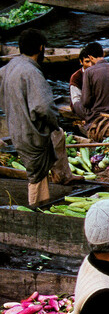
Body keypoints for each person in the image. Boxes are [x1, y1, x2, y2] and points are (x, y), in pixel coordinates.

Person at [0, 29, 75, 205]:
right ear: (41, 48)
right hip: (31, 133)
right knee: (36, 176)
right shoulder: (32, 73)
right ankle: (36, 209)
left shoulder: (9, 67)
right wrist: (53, 123)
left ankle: (60, 178)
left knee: (55, 142)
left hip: (16, 127)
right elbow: (43, 107)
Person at [73, 42, 109, 141]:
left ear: (90, 57)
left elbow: (86, 102)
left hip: (100, 115)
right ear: (103, 54)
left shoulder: (88, 72)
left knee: (77, 104)